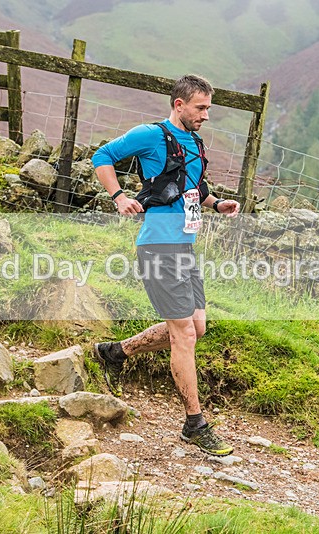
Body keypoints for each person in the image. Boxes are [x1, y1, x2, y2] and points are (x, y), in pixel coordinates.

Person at [92, 74, 240, 456]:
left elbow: (192, 189)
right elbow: (101, 158)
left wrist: (216, 203)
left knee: (197, 327)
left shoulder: (193, 140)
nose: (206, 115)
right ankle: (195, 423)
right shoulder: (150, 134)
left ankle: (115, 353)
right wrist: (119, 196)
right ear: (179, 104)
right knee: (184, 334)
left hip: (184, 246)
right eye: (200, 108)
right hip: (158, 245)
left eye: (208, 108)